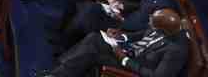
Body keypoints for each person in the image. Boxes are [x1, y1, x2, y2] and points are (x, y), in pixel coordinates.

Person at [37, 9, 188, 77]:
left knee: (92, 52)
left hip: (133, 67)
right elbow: (142, 34)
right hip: (127, 51)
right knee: (93, 38)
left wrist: (124, 59)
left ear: (164, 31)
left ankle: (57, 74)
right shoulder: (164, 25)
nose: (151, 25)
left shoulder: (176, 50)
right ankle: (58, 70)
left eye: (154, 26)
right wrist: (122, 36)